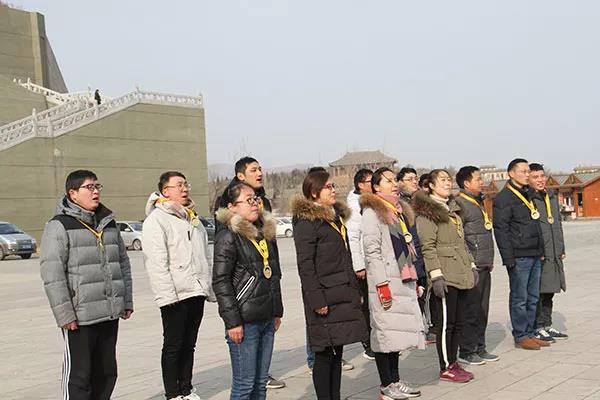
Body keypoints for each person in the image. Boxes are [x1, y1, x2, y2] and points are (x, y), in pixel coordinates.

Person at [40, 170, 133, 400]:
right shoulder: (59, 226)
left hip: (109, 312)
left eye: (97, 186)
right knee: (79, 377)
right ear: (73, 194)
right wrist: (65, 315)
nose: (95, 191)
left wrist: (126, 300)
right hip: (80, 318)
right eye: (89, 187)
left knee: (106, 373)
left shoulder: (108, 223)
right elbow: (52, 274)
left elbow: (123, 263)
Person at [292, 168, 368, 400]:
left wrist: (354, 291)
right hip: (324, 296)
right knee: (324, 354)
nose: (333, 190)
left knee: (337, 352)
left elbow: (345, 258)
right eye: (328, 187)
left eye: (333, 186)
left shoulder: (334, 217)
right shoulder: (307, 222)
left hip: (341, 293)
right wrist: (317, 300)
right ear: (314, 191)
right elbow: (305, 266)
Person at [213, 156, 286, 389]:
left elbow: (273, 272)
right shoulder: (228, 235)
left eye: (256, 199)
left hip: (266, 314)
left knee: (260, 383)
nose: (255, 203)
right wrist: (232, 321)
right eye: (248, 200)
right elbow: (221, 281)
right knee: (245, 384)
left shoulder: (263, 228)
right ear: (232, 207)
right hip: (244, 318)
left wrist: (276, 310)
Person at [142, 171, 215, 400]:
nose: (185, 189)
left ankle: (186, 388)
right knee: (173, 345)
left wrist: (208, 286)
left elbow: (205, 256)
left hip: (196, 290)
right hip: (175, 293)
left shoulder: (192, 218)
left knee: (189, 344)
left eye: (186, 184)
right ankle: (173, 393)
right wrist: (166, 296)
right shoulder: (157, 220)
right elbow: (156, 262)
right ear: (165, 191)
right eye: (179, 185)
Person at [360, 167, 425, 399]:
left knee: (396, 334)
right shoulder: (372, 212)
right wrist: (381, 284)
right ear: (376, 186)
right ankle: (386, 385)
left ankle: (396, 380)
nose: (394, 184)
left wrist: (414, 279)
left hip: (402, 279)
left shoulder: (396, 210)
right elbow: (372, 251)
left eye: (395, 179)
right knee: (384, 334)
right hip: (385, 282)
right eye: (388, 181)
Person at [413, 169, 476, 383]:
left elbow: (461, 242)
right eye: (442, 180)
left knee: (458, 322)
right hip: (444, 273)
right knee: (446, 323)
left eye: (449, 179)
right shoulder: (427, 213)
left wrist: (471, 265)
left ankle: (453, 361)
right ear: (431, 185)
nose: (448, 183)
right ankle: (446, 366)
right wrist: (436, 275)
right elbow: (428, 247)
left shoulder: (453, 210)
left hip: (460, 271)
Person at [493, 158, 547, 351]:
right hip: (519, 256)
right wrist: (508, 258)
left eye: (527, 171)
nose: (527, 174)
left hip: (534, 253)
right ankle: (521, 335)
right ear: (511, 173)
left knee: (533, 297)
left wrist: (541, 250)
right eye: (523, 171)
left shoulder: (529, 194)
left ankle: (531, 332)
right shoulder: (504, 198)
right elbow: (501, 230)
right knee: (520, 298)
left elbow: (535, 224)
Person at [455, 166, 499, 365]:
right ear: (466, 183)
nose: (482, 182)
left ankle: (480, 346)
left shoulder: (478, 202)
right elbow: (459, 236)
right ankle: (467, 350)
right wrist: (469, 262)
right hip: (471, 265)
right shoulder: (459, 204)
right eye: (478, 179)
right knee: (470, 310)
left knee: (482, 309)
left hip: (484, 263)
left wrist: (488, 259)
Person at [528, 163, 568, 341]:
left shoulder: (551, 196)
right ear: (528, 179)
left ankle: (547, 324)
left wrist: (561, 248)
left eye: (542, 176)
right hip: (540, 252)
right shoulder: (528, 198)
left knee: (550, 290)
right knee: (538, 291)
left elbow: (557, 223)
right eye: (535, 177)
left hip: (554, 252)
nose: (540, 180)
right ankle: (537, 326)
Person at [397, 167, 431, 342]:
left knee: (424, 292)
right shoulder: (399, 204)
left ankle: (425, 328)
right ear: (399, 182)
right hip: (408, 255)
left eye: (415, 178)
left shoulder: (420, 200)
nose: (414, 182)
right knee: (413, 294)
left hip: (422, 251)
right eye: (409, 179)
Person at [346, 168, 376, 360]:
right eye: (370, 182)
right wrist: (358, 265)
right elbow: (353, 237)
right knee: (366, 305)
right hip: (364, 263)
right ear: (360, 185)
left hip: (374, 261)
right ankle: (368, 343)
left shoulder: (371, 201)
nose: (373, 185)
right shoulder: (354, 206)